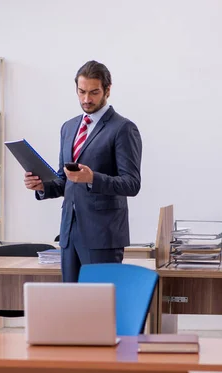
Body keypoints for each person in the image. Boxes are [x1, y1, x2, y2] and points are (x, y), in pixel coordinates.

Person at [24, 60, 142, 282]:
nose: (86, 99)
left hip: (103, 235)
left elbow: (132, 183)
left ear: (108, 90)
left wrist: (92, 178)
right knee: (73, 305)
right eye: (82, 92)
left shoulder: (123, 128)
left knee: (100, 307)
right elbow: (64, 179)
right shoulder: (69, 127)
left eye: (94, 92)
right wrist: (42, 186)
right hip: (69, 233)